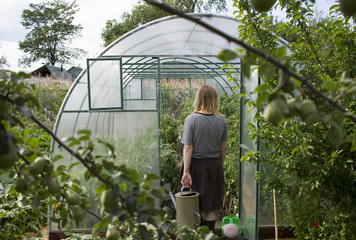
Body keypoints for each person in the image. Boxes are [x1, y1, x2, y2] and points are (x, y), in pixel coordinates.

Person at [180, 84, 228, 232]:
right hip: (214, 166)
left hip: (195, 167)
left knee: (195, 205)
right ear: (214, 100)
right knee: (210, 207)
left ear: (198, 99)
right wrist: (218, 164)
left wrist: (186, 171)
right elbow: (224, 147)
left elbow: (188, 147)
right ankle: (209, 236)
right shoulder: (222, 120)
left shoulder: (191, 120)